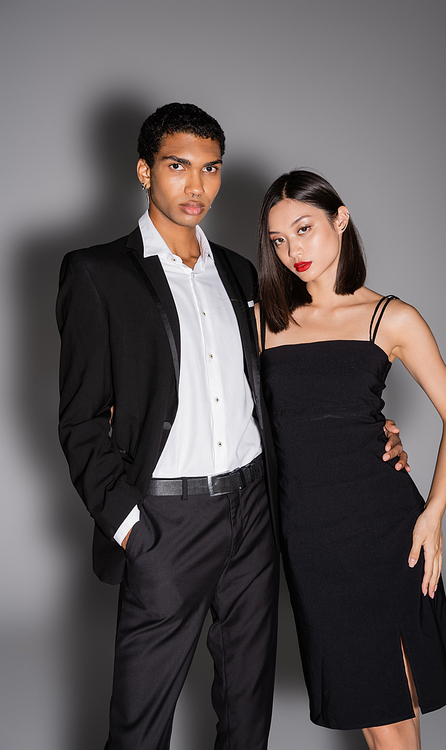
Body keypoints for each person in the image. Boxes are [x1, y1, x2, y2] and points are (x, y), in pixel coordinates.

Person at [56, 105, 408, 750]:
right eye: (177, 167)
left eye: (211, 169)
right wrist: (131, 526)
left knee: (247, 711)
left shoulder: (243, 274)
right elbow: (80, 420)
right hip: (165, 519)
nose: (197, 186)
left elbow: (296, 383)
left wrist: (368, 430)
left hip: (254, 512)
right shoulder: (97, 273)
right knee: (138, 722)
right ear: (144, 171)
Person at [257, 170, 446, 750]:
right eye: (279, 240)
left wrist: (433, 515)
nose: (293, 250)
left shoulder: (391, 318)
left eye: (304, 229)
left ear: (341, 219)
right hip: (311, 536)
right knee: (380, 710)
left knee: (395, 713)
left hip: (384, 527)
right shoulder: (263, 321)